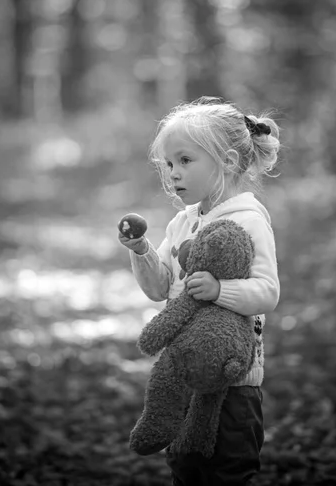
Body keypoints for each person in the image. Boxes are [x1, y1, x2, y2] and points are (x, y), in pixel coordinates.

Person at [118, 96, 281, 485]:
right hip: (184, 376)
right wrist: (142, 252)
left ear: (226, 161)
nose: (174, 173)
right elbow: (160, 290)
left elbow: (267, 293)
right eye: (169, 164)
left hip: (234, 384)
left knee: (228, 468)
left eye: (186, 161)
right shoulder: (183, 222)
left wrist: (219, 289)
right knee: (186, 468)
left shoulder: (248, 219)